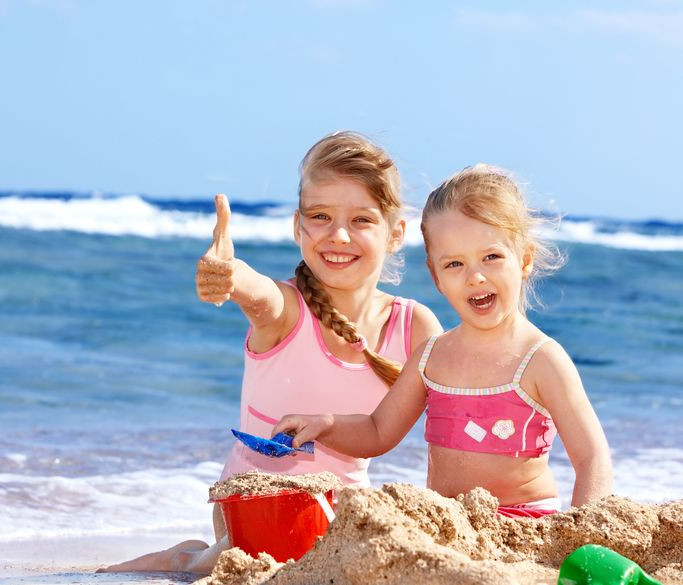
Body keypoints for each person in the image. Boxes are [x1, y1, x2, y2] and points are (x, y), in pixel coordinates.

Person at [98, 131, 441, 573]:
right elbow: (257, 293)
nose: (338, 235)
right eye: (320, 216)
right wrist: (230, 276)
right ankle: (184, 559)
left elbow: (448, 422)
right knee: (267, 559)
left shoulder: (414, 327)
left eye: (361, 220)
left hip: (338, 510)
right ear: (297, 227)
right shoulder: (286, 310)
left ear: (395, 234)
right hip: (251, 500)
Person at [273, 164, 613, 518]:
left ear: (524, 259)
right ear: (435, 275)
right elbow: (377, 432)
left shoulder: (541, 359)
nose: (475, 276)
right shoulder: (432, 356)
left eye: (491, 257)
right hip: (448, 523)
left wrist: (582, 536)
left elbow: (591, 457)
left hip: (524, 521)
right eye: (454, 264)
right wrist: (327, 424)